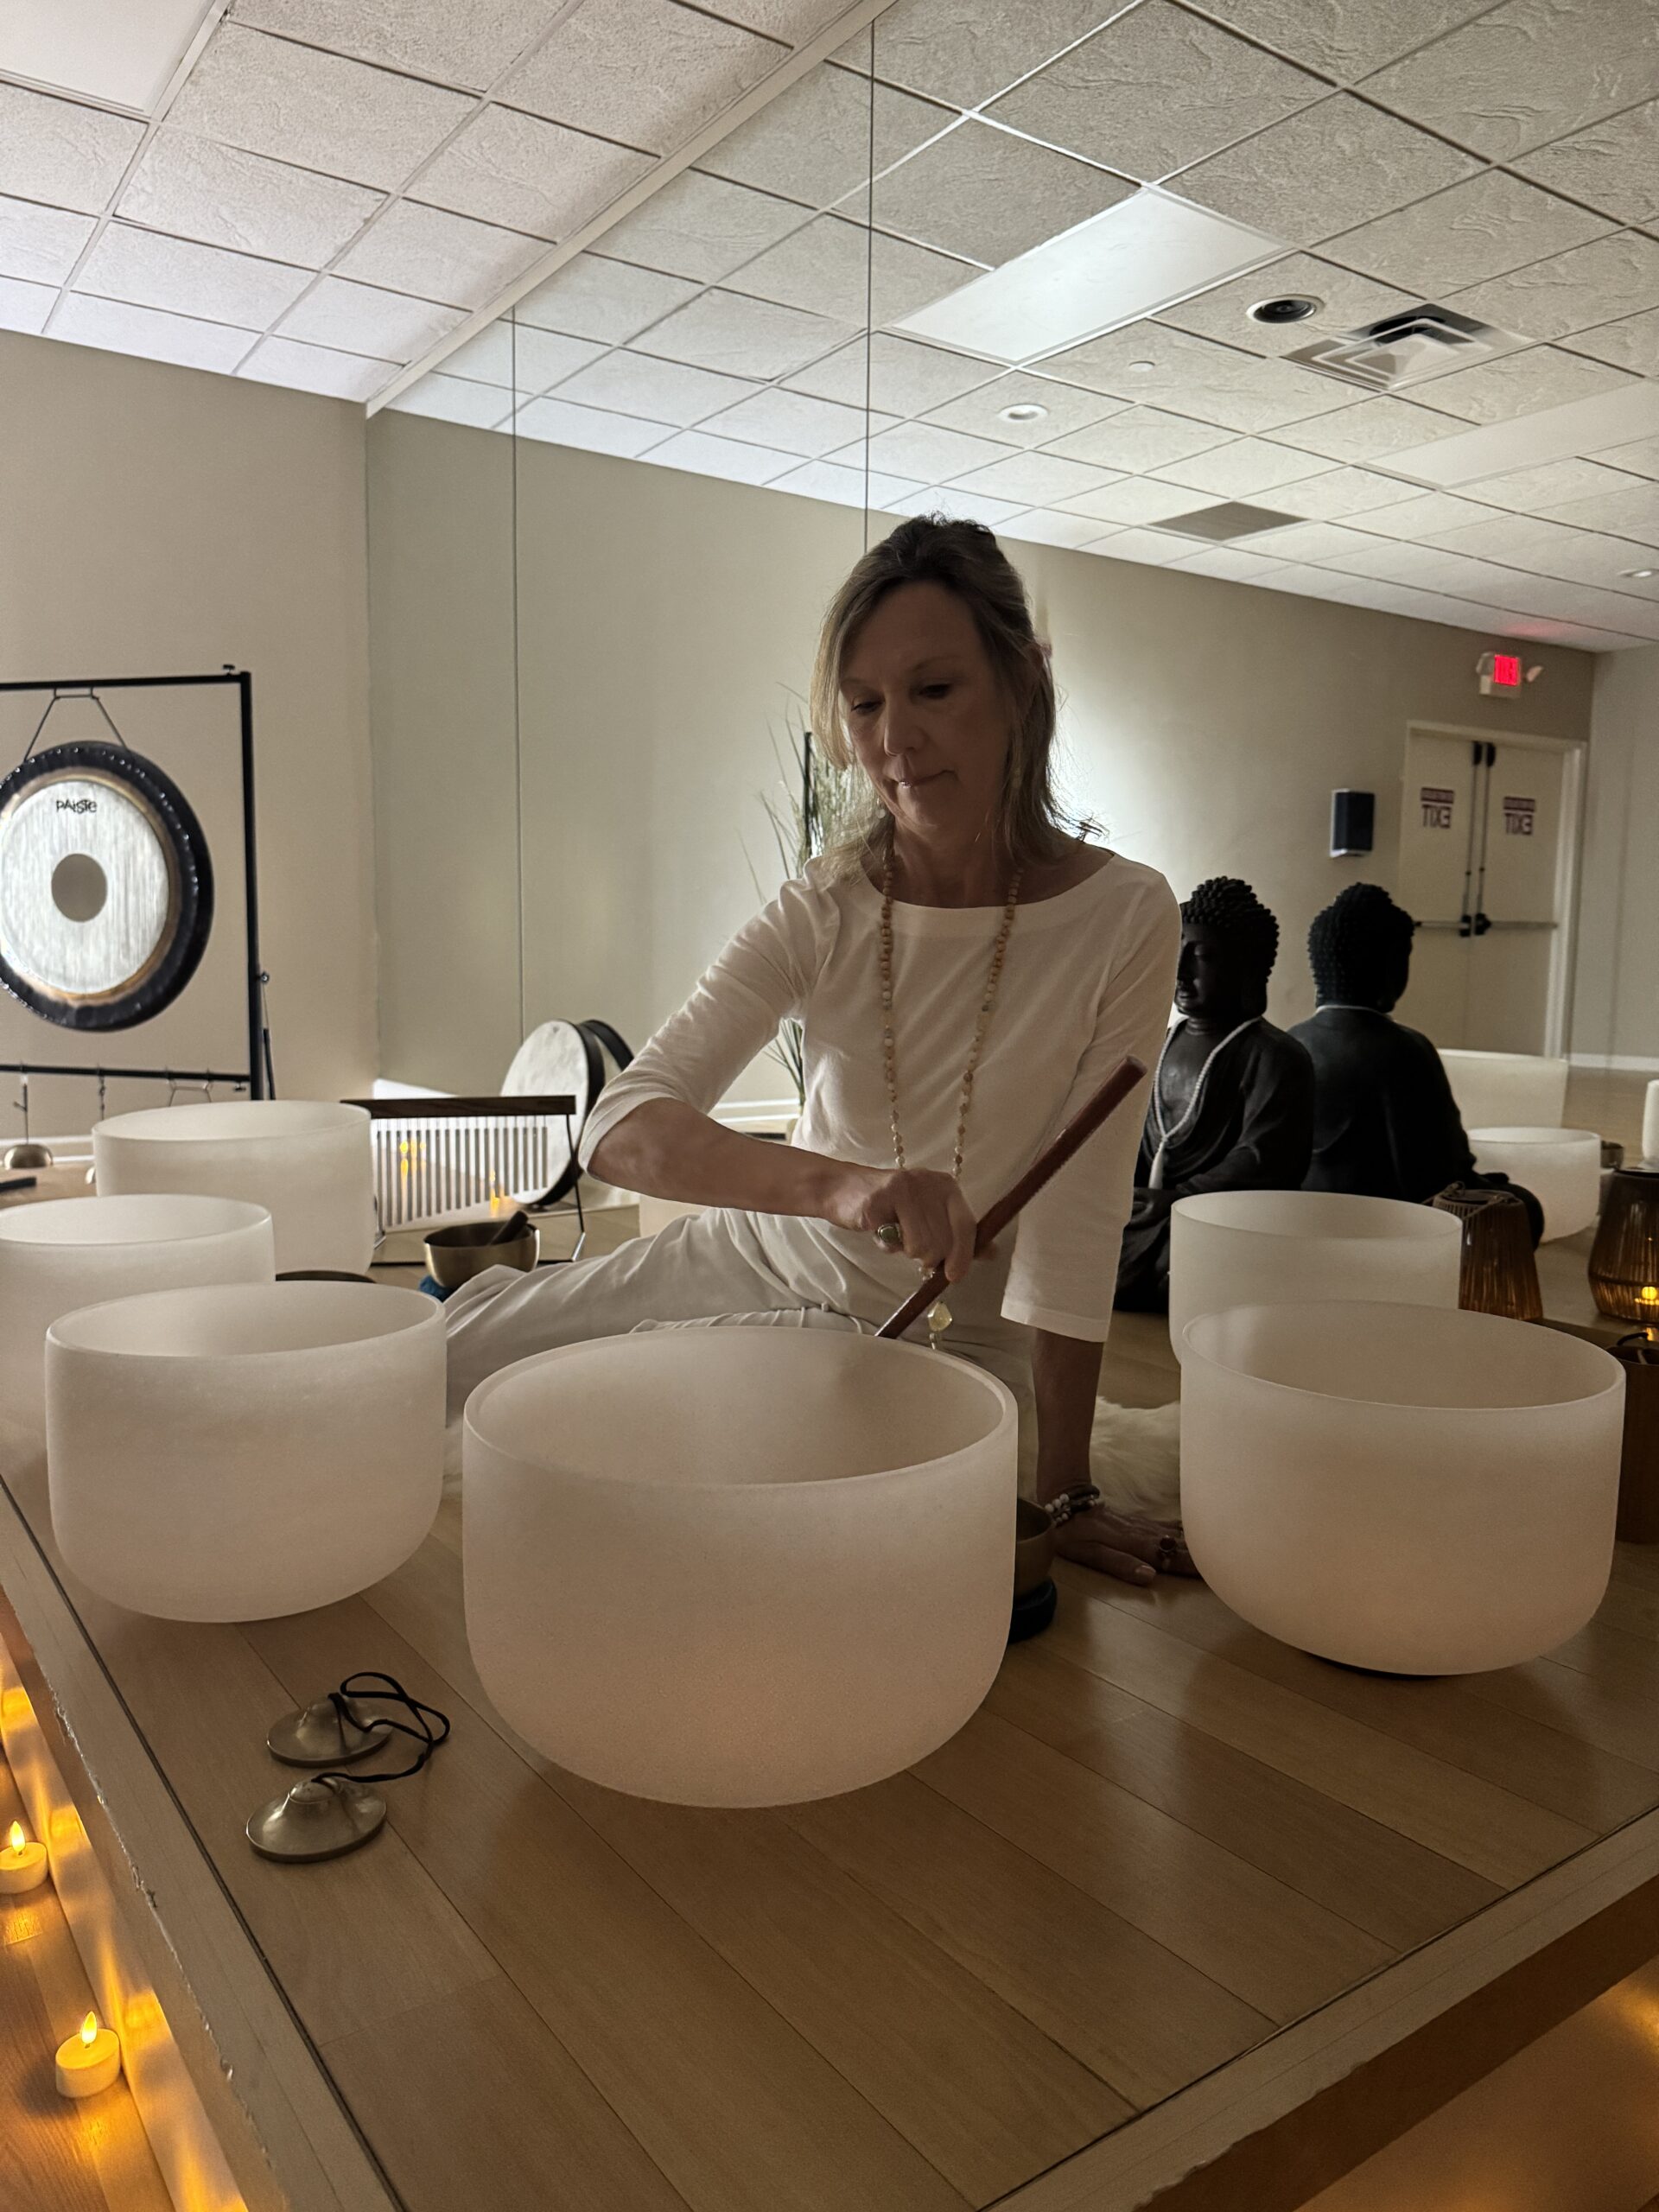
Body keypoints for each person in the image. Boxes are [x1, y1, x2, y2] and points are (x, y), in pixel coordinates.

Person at [445, 516, 1192, 1584]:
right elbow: (619, 1127)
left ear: (1023, 681)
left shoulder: (1126, 913)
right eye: (866, 704)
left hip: (951, 1346)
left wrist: (1067, 1486)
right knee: (448, 1368)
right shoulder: (827, 904)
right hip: (757, 1258)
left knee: (706, 1481)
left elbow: (1075, 1233)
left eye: (934, 690)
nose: (894, 741)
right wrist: (847, 1188)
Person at [1289, 882, 1542, 1237]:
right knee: (1523, 1206)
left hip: (1295, 1216)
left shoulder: (1290, 1041)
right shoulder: (1403, 1049)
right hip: (1385, 1224)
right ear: (1390, 965)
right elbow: (1434, 1177)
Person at [1116, 876, 1315, 1312]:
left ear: (1242, 966)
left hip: (1218, 1218)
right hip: (1152, 1211)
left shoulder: (1277, 1056)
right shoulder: (1158, 1042)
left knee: (1189, 1261)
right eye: (1178, 950)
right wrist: (1123, 1189)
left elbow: (1264, 1161)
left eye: (1201, 956)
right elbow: (1131, 1132)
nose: (1181, 970)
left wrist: (1176, 1198)